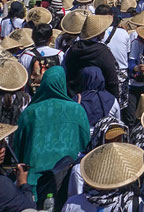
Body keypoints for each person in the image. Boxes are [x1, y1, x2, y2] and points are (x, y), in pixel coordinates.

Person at [11, 67, 91, 196]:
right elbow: (85, 143)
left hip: (33, 182)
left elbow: (18, 146)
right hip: (66, 180)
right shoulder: (77, 110)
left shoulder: (30, 112)